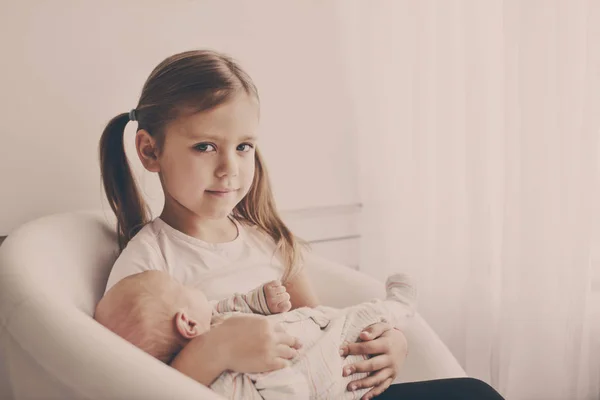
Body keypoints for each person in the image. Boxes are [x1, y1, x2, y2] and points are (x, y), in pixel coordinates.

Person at [98, 49, 505, 400]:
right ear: (150, 150)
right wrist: (216, 350)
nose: (229, 168)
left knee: (475, 393)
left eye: (243, 147)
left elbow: (321, 326)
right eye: (205, 146)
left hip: (325, 388)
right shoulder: (148, 265)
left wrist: (387, 345)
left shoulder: (266, 241)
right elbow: (141, 389)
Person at [94, 270, 417, 399]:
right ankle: (399, 306)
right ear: (187, 324)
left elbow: (230, 304)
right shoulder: (226, 383)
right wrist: (280, 371)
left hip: (313, 325)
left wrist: (260, 299)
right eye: (182, 288)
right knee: (358, 321)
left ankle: (394, 315)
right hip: (333, 369)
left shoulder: (212, 319)